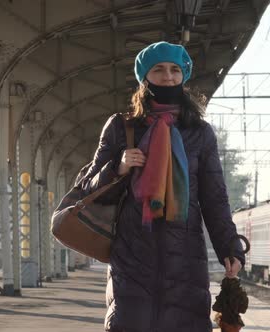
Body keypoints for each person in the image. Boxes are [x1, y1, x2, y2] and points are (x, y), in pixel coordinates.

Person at [78, 41, 246, 332]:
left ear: (184, 76)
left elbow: (214, 197)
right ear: (145, 77)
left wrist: (229, 247)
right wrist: (117, 167)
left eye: (174, 70)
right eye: (158, 69)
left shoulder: (200, 133)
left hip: (185, 258)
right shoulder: (121, 127)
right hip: (132, 254)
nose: (168, 76)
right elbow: (85, 188)